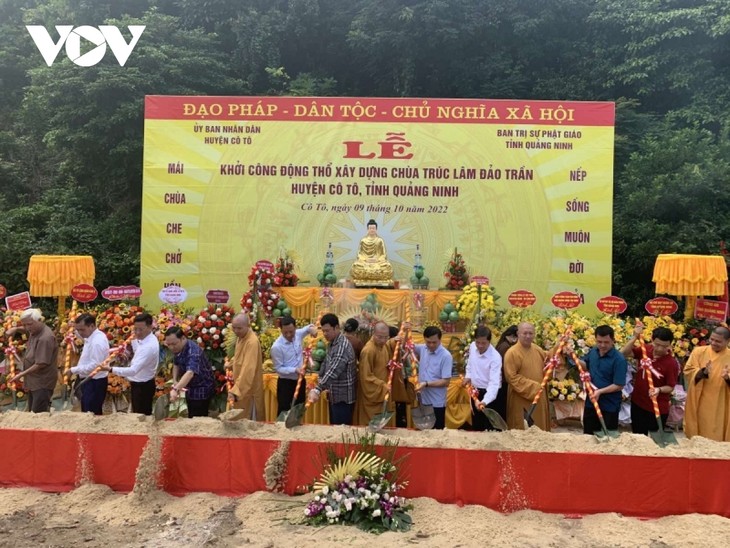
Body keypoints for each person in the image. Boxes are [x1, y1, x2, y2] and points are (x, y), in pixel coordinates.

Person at [620, 325, 679, 435]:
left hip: (657, 408)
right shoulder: (645, 349)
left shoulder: (671, 363)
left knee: (655, 440)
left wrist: (659, 389)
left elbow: (670, 387)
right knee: (638, 437)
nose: (660, 349)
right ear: (652, 340)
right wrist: (635, 337)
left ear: (670, 345)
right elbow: (623, 353)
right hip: (638, 403)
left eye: (664, 346)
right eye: (657, 344)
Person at [105, 313, 159, 416]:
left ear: (150, 327)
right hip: (142, 383)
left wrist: (110, 369)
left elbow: (133, 370)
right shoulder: (148, 339)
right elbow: (137, 351)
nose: (137, 332)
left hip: (142, 387)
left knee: (141, 416)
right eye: (135, 329)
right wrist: (134, 340)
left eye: (140, 329)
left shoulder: (149, 346)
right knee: (140, 413)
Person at [308, 313, 357, 425]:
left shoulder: (342, 346)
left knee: (341, 432)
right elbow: (326, 363)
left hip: (343, 397)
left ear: (336, 328)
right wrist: (320, 378)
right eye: (323, 331)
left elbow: (334, 370)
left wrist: (318, 389)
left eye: (328, 330)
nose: (325, 334)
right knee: (334, 428)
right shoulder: (332, 343)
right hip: (334, 394)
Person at [6, 308, 59, 413]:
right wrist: (15, 329)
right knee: (33, 411)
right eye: (24, 324)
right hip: (34, 381)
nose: (27, 327)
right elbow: (26, 330)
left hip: (42, 382)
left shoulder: (45, 338)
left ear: (39, 320)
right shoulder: (35, 330)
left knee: (38, 414)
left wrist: (21, 374)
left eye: (29, 324)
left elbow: (41, 363)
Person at [683, 326, 730, 441]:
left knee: (717, 429)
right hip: (700, 398)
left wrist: (728, 378)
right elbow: (688, 371)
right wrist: (702, 372)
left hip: (721, 401)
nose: (713, 343)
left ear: (727, 341)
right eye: (712, 339)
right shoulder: (699, 351)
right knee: (699, 427)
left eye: (718, 341)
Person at [580, 325, 627, 435]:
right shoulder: (593, 352)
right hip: (591, 402)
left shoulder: (619, 359)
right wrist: (573, 357)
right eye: (599, 342)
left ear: (613, 341)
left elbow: (619, 385)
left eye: (606, 342)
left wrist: (600, 391)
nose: (602, 345)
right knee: (588, 435)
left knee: (607, 437)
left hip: (609, 406)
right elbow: (586, 365)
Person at [503, 322, 550, 431]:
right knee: (521, 429)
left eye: (530, 333)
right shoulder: (512, 353)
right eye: (525, 333)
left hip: (538, 399)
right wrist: (534, 387)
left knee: (540, 431)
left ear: (534, 334)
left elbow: (548, 364)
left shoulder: (538, 350)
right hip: (520, 398)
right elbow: (511, 377)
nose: (528, 336)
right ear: (518, 334)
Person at [164, 326, 216, 418]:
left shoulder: (193, 352)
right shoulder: (178, 348)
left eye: (174, 344)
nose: (171, 347)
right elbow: (176, 363)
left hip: (202, 388)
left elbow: (190, 373)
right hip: (190, 387)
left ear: (183, 338)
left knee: (197, 418)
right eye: (169, 344)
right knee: (191, 414)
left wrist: (176, 389)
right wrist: (175, 381)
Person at [270, 316, 317, 416]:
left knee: (298, 410)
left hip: (300, 380)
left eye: (291, 331)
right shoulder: (276, 347)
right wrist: (294, 370)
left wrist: (313, 330)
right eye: (285, 332)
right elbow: (278, 368)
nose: (289, 335)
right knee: (284, 411)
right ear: (281, 330)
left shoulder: (298, 334)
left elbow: (309, 328)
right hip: (286, 383)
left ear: (295, 328)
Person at [66, 312, 110, 415]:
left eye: (82, 329)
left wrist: (73, 370)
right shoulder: (92, 336)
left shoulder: (97, 342)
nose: (80, 332)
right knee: (87, 409)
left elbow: (95, 366)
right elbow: (85, 339)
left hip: (94, 381)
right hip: (89, 380)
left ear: (92, 326)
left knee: (91, 413)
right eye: (78, 330)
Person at [354, 322, 394, 425]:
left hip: (382, 392)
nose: (383, 340)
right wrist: (383, 385)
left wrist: (395, 339)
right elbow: (366, 377)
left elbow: (389, 346)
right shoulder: (368, 350)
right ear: (373, 333)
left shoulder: (384, 345)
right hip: (373, 393)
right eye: (380, 337)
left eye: (386, 337)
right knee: (370, 426)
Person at [462, 326, 502, 431]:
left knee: (489, 428)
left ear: (489, 342)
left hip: (490, 395)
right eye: (477, 342)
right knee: (477, 426)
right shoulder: (472, 347)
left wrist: (484, 401)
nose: (480, 346)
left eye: (483, 343)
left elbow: (494, 384)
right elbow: (470, 364)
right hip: (475, 391)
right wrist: (468, 376)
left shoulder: (495, 357)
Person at [414, 326, 453, 430]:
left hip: (436, 403)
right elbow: (408, 346)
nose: (431, 345)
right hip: (423, 401)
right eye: (428, 342)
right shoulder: (423, 348)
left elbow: (446, 381)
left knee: (436, 434)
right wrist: (403, 332)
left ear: (440, 340)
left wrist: (426, 384)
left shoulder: (446, 356)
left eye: (434, 342)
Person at [228, 314, 265, 420]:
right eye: (233, 327)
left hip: (248, 390)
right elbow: (239, 357)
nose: (236, 331)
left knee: (249, 423)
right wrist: (231, 363)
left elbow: (248, 370)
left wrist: (236, 391)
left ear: (248, 326)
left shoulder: (252, 342)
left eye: (239, 328)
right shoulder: (241, 337)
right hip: (240, 386)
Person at [350, 219, 393, 286]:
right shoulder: (363, 240)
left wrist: (377, 259)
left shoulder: (379, 240)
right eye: (370, 228)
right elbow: (359, 254)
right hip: (365, 263)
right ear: (368, 229)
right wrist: (366, 259)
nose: (372, 230)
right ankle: (373, 277)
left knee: (388, 266)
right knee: (356, 266)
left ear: (376, 229)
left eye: (373, 228)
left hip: (377, 263)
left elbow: (384, 255)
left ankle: (365, 277)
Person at [492, 325, 518, 421]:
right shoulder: (505, 347)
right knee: (503, 406)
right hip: (503, 380)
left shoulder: (502, 344)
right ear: (511, 336)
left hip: (501, 380)